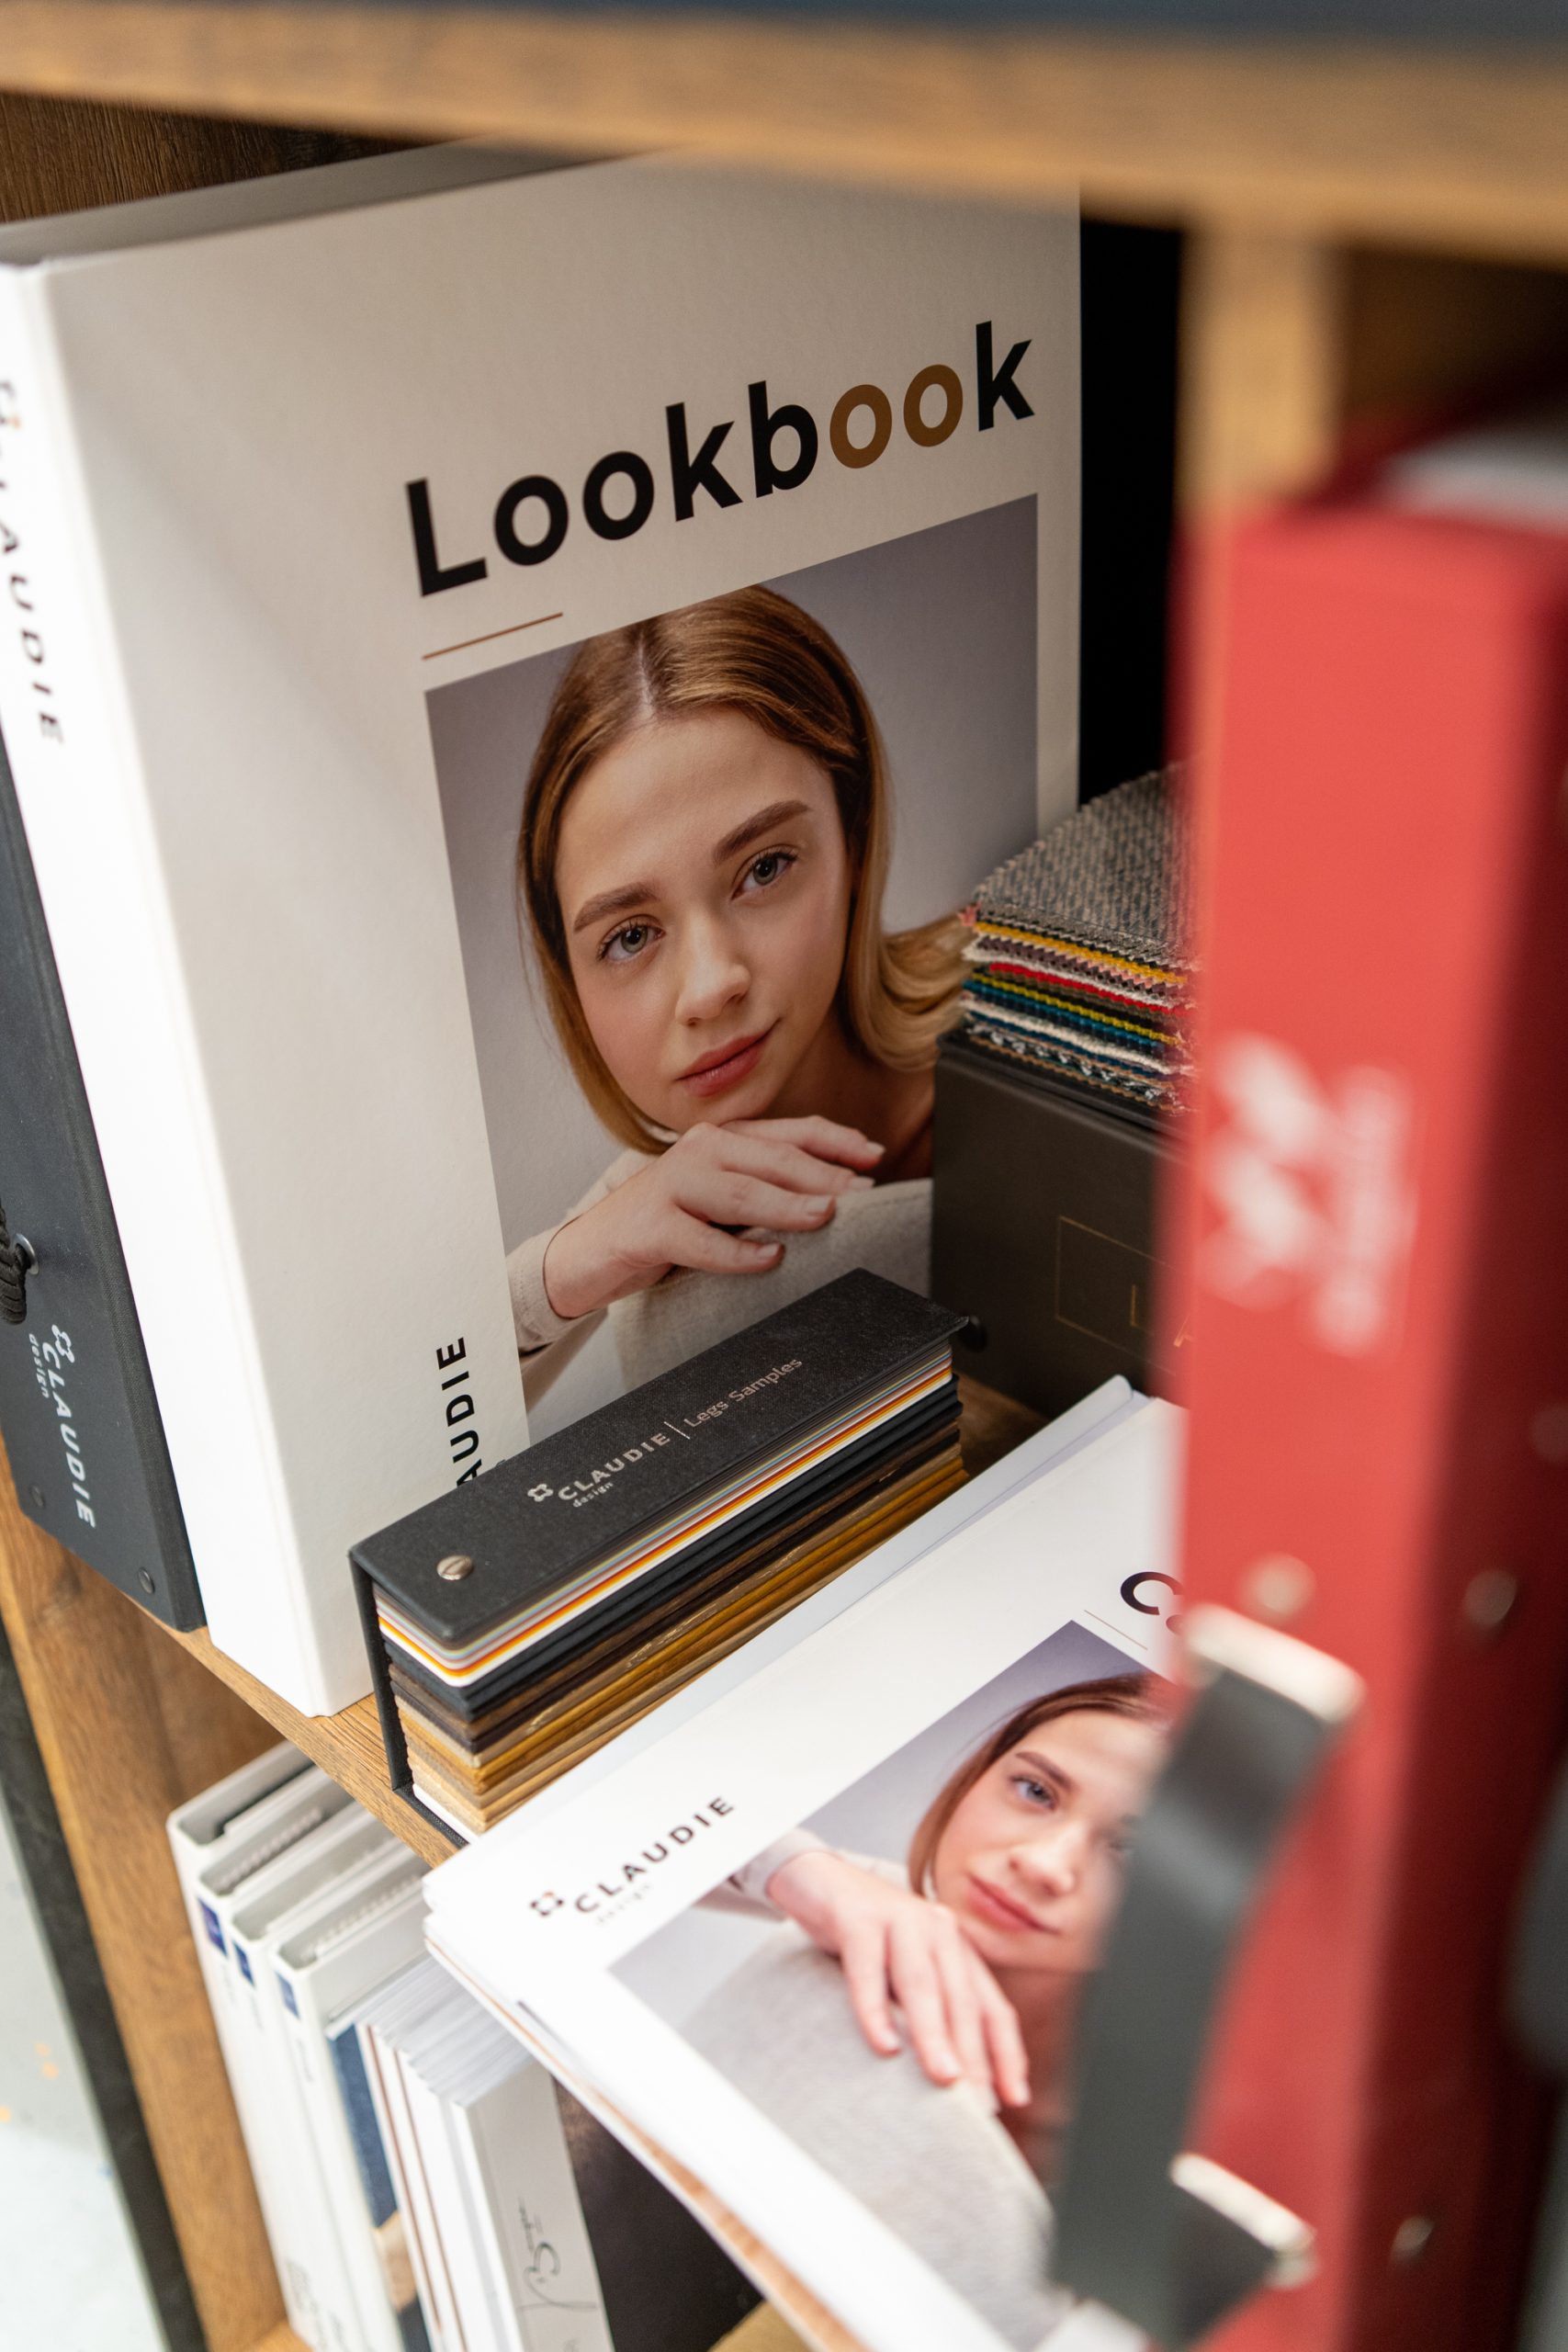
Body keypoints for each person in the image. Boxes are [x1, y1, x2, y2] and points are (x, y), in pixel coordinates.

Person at [505, 585, 964, 1404]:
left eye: (764, 869)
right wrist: (564, 1270)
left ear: (853, 838)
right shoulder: (654, 1202)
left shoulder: (1054, 1017)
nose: (713, 986)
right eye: (630, 937)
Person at [684, 1676, 1168, 2348]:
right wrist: (800, 1868)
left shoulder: (1167, 2148)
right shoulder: (861, 1906)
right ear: (977, 1775)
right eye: (1035, 1791)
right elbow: (601, 1822)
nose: (1042, 1863)